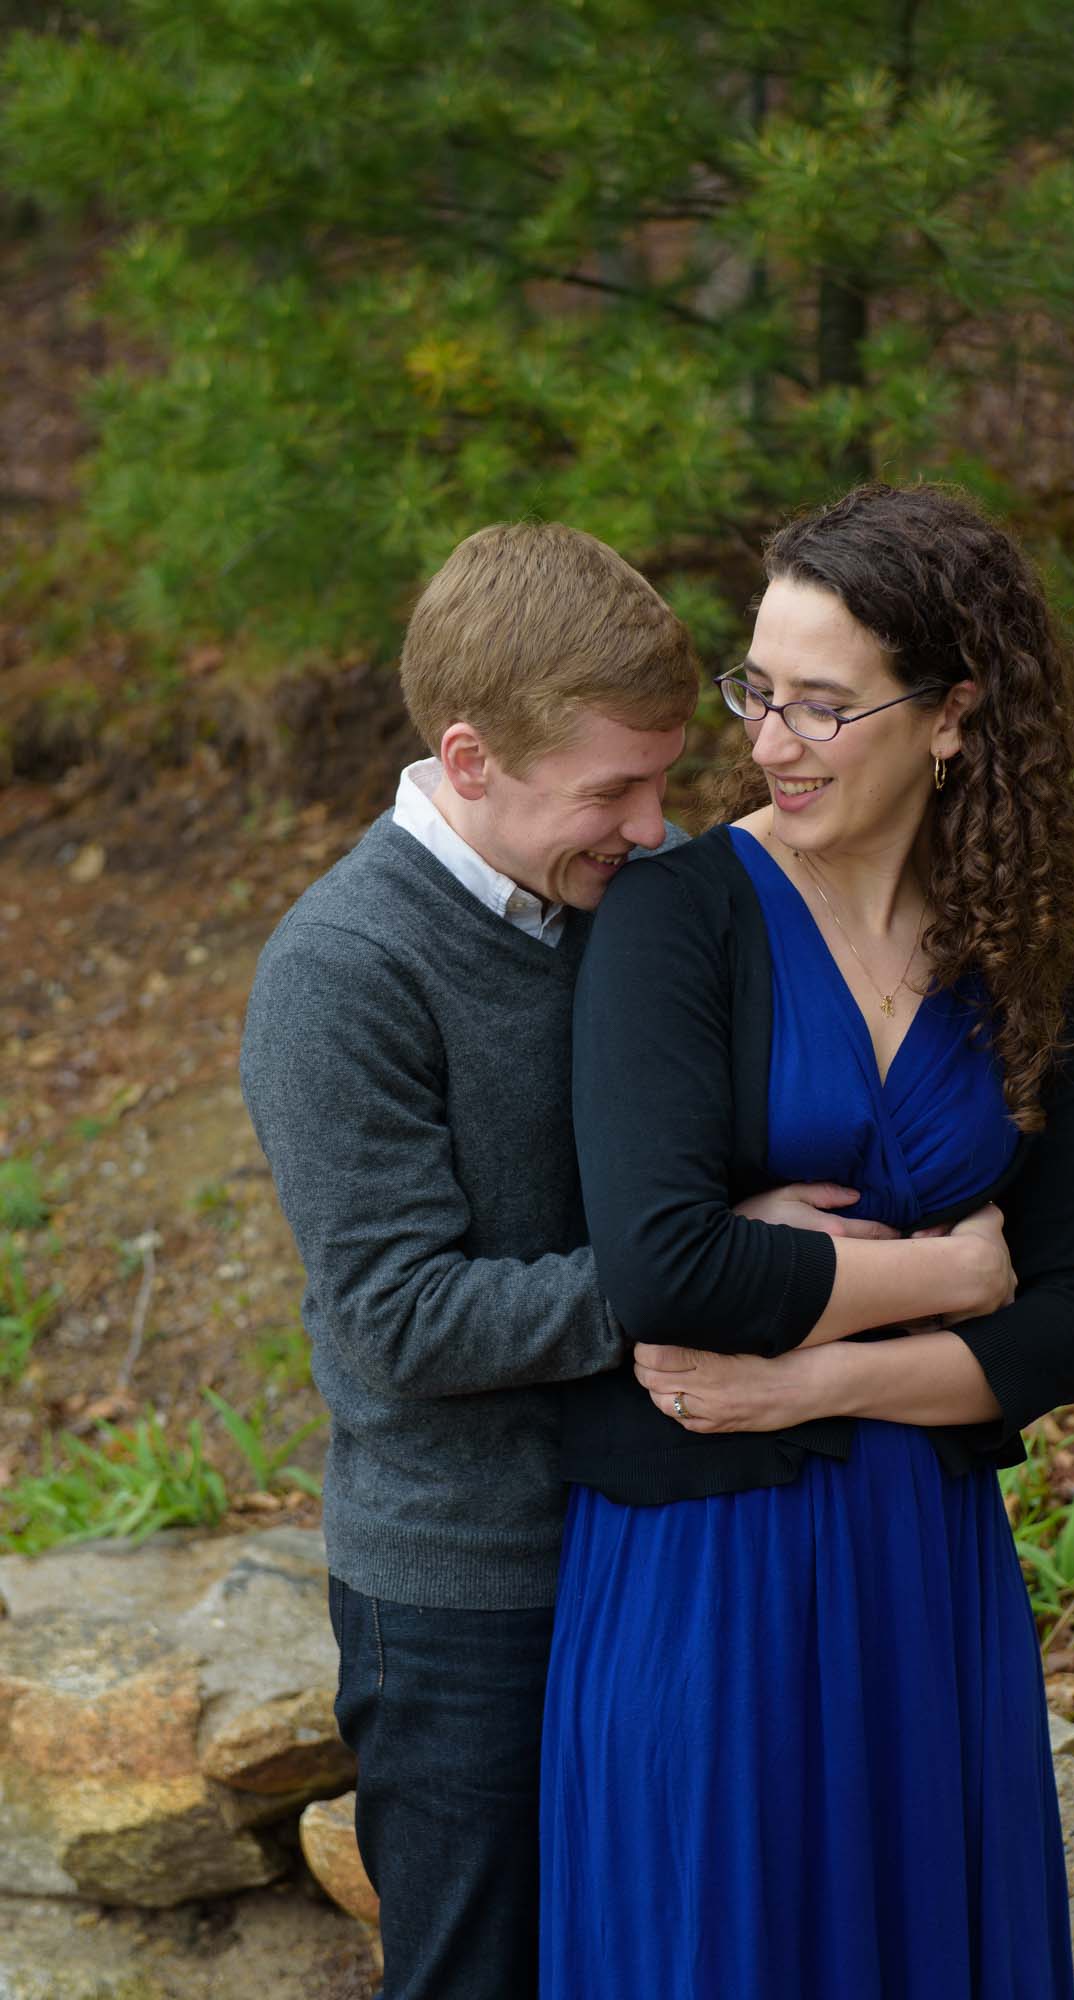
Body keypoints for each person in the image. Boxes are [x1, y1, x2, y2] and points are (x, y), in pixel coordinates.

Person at [542, 483, 1074, 1999]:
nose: (772, 740)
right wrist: (942, 1280)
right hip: (707, 1569)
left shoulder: (1017, 952)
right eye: (759, 691)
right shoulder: (677, 918)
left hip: (921, 1566)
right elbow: (666, 1271)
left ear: (950, 715)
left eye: (821, 704)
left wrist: (815, 1381)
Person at [238, 522, 704, 2000]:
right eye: (613, 788)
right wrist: (710, 1274)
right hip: (462, 1597)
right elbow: (400, 1318)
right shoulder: (343, 971)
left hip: (670, 1539)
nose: (650, 823)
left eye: (664, 780)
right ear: (471, 757)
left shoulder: (645, 881)